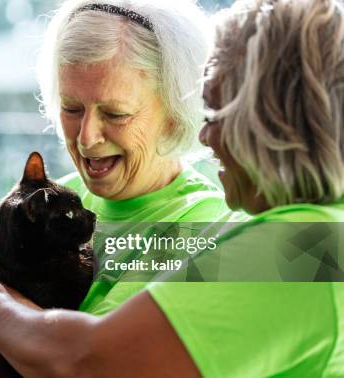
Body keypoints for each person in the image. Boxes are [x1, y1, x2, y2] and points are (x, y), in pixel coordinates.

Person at [0, 0, 344, 376]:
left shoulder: (308, 247)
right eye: (71, 108)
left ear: (270, 123)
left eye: (215, 111)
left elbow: (93, 363)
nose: (203, 136)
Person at [36, 0, 236, 316]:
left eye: (116, 114)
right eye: (72, 109)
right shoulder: (58, 196)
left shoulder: (206, 222)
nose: (87, 137)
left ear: (176, 114)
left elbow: (87, 357)